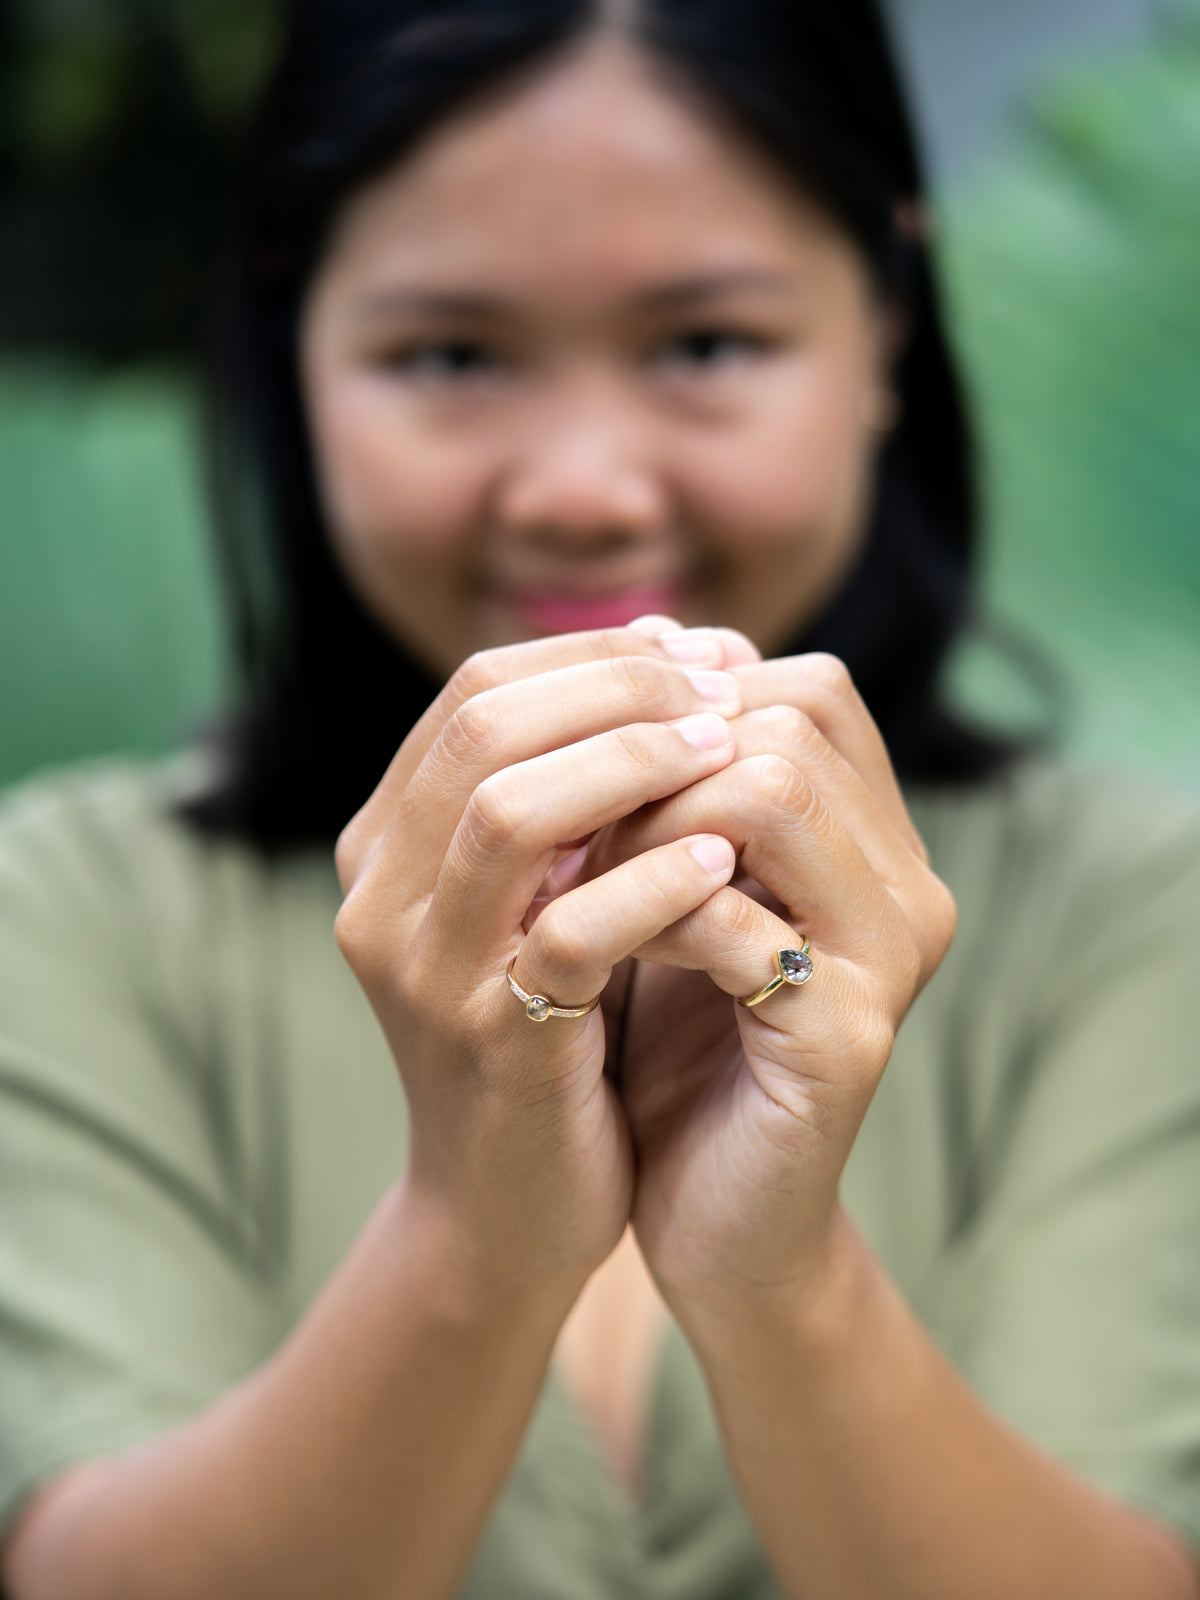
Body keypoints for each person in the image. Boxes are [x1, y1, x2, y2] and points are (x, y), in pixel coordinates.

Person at [2, 1, 1200, 1595]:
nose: (583, 488)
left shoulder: (1140, 906)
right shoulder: (66, 905)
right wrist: (472, 1241)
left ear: (888, 323)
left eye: (708, 345)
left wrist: (780, 1282)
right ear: (295, 353)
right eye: (449, 355)